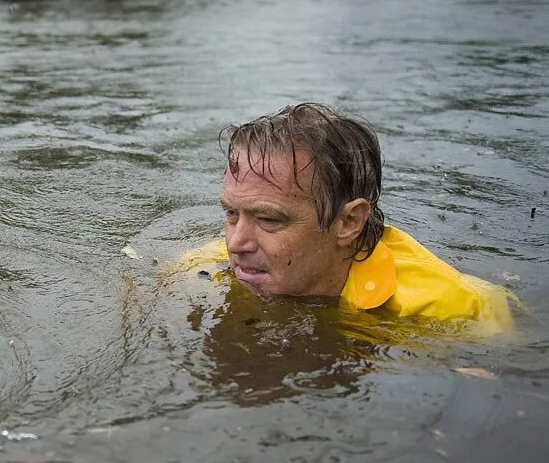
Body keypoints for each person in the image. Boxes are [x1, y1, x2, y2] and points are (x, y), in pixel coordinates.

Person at [176, 103, 514, 334]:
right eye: (232, 213)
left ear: (349, 222)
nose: (235, 244)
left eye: (268, 220)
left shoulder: (454, 312)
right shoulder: (202, 266)